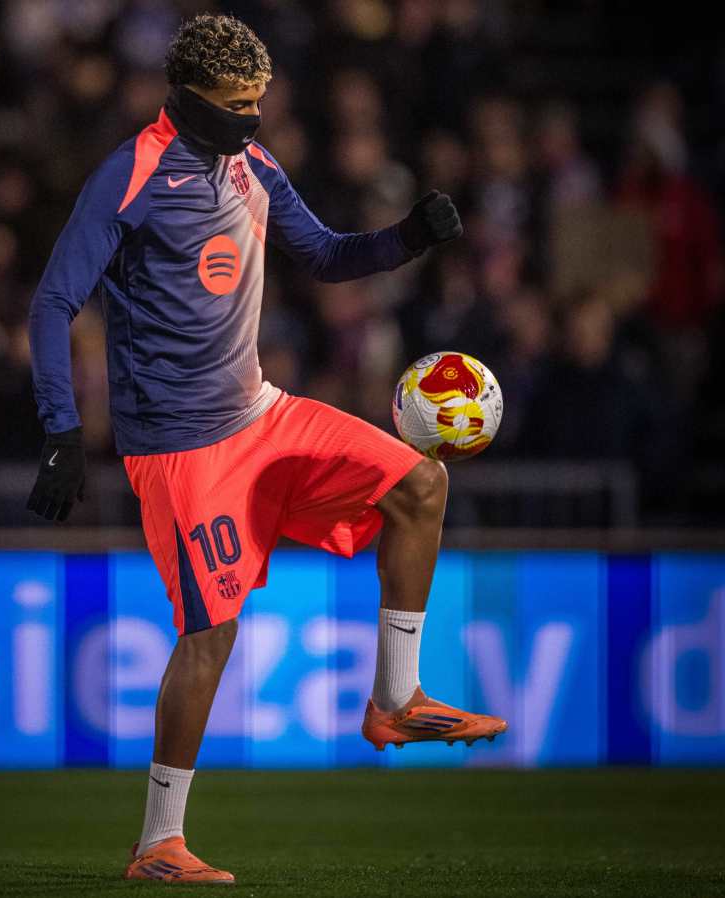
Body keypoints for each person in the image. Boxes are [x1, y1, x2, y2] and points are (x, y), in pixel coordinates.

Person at [26, 14, 506, 886]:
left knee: (420, 483)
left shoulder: (252, 163)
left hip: (263, 414)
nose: (252, 118)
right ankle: (158, 844)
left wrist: (408, 238)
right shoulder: (130, 175)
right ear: (188, 98)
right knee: (210, 635)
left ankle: (396, 699)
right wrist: (62, 431)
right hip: (181, 446)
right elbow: (53, 301)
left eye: (259, 102)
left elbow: (322, 255)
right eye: (237, 104)